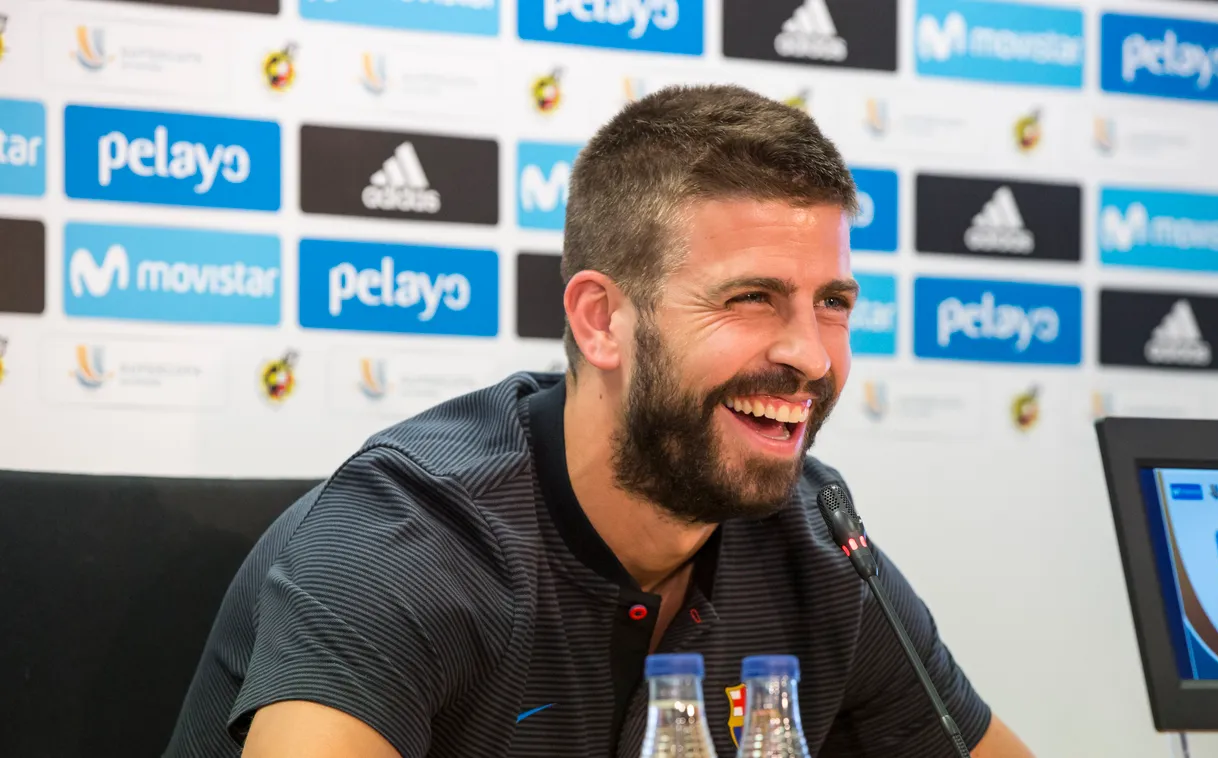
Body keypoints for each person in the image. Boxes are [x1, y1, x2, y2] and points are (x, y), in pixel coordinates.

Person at [166, 84, 1035, 758]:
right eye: (751, 298)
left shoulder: (818, 545)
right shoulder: (404, 541)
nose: (810, 354)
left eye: (832, 303)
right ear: (599, 321)